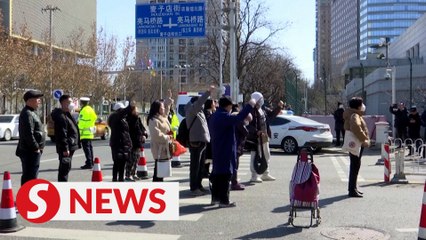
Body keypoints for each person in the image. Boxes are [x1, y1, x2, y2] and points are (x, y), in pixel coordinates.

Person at [209, 96, 256, 207]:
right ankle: (224, 201)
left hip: (217, 148)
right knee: (225, 175)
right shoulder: (224, 116)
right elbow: (239, 117)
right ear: (228, 106)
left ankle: (215, 199)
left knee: (216, 175)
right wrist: (250, 105)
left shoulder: (214, 116)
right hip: (225, 149)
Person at [246, 91, 284, 183]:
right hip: (255, 138)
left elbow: (271, 114)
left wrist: (279, 107)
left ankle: (265, 173)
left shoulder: (262, 109)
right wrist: (256, 131)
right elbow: (248, 125)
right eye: (261, 99)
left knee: (266, 155)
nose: (262, 100)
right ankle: (254, 175)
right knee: (255, 156)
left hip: (264, 136)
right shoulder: (250, 110)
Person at [185, 86, 215, 196]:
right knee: (195, 166)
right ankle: (194, 187)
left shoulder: (198, 111)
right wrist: (208, 92)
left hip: (202, 140)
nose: (202, 104)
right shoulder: (192, 109)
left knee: (201, 166)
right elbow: (199, 102)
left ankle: (199, 185)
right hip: (196, 141)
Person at [16, 90, 45, 186]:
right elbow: (28, 133)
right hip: (30, 151)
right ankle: (25, 198)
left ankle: (27, 197)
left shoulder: (31, 112)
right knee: (30, 177)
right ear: (30, 101)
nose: (39, 101)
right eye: (37, 99)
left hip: (32, 151)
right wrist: (36, 147)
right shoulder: (27, 113)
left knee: (31, 176)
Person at [343, 97, 370, 198]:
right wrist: (364, 139)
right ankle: (352, 190)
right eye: (361, 104)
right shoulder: (355, 115)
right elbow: (356, 128)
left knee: (355, 166)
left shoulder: (353, 114)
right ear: (358, 106)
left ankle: (353, 188)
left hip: (355, 143)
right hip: (357, 143)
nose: (363, 106)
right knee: (355, 166)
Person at [51, 95, 81, 182]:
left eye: (71, 102)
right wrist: (65, 148)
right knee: (64, 169)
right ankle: (62, 188)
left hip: (70, 145)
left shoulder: (67, 114)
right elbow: (62, 134)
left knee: (67, 167)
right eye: (69, 102)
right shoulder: (61, 116)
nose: (71, 104)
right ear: (63, 103)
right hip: (66, 147)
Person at [147, 93, 174, 182]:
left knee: (160, 172)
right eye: (162, 107)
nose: (163, 108)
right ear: (157, 109)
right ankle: (155, 189)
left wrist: (168, 100)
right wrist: (167, 137)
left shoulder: (162, 118)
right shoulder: (153, 120)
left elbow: (167, 110)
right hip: (159, 148)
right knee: (158, 172)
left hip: (164, 148)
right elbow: (156, 135)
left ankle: (158, 189)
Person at [108, 102, 132, 182]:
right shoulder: (116, 117)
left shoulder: (121, 118)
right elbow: (123, 112)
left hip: (122, 143)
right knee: (118, 162)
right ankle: (115, 179)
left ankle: (120, 179)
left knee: (121, 163)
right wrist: (129, 106)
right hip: (119, 143)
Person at [232, 104, 253, 191]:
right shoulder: (240, 122)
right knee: (235, 166)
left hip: (237, 146)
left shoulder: (238, 120)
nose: (248, 122)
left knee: (235, 165)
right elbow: (246, 132)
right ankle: (234, 183)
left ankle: (234, 181)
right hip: (236, 146)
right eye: (247, 120)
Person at [125, 105, 148, 181]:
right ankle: (128, 175)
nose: (137, 111)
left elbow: (142, 128)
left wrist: (144, 134)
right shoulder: (129, 119)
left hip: (138, 141)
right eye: (135, 110)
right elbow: (131, 130)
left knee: (136, 159)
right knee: (131, 159)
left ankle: (133, 173)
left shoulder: (138, 119)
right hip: (132, 142)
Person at [78, 97, 98, 169]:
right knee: (90, 148)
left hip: (84, 132)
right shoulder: (91, 109)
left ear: (82, 102)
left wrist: (78, 130)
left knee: (86, 149)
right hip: (90, 131)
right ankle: (91, 162)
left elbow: (81, 122)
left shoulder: (83, 110)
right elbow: (95, 118)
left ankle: (89, 163)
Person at [203, 99, 217, 178]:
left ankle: (206, 170)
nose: (214, 104)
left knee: (209, 156)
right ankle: (204, 171)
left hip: (210, 137)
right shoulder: (207, 113)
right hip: (207, 137)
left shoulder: (210, 112)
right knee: (207, 155)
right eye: (213, 103)